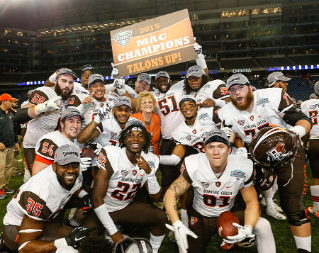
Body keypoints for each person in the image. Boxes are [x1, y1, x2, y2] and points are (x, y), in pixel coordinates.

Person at [218, 73, 312, 253]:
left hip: (287, 152)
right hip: (255, 157)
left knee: (293, 204)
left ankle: (304, 250)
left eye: (240, 87)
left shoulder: (272, 96)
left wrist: (294, 133)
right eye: (232, 90)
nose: (237, 92)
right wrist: (239, 151)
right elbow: (228, 140)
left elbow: (303, 120)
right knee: (237, 198)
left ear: (250, 87)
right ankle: (238, 234)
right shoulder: (226, 112)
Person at [163, 129, 275, 253]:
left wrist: (248, 228)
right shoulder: (194, 164)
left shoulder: (242, 166)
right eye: (211, 147)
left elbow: (252, 202)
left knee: (263, 225)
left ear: (229, 150)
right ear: (204, 150)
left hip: (228, 213)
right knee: (185, 249)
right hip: (201, 216)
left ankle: (233, 239)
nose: (216, 152)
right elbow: (170, 193)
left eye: (221, 147)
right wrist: (177, 223)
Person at [81, 120, 167, 253]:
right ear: (124, 139)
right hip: (104, 207)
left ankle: (153, 251)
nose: (135, 139)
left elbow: (155, 197)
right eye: (130, 135)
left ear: (146, 140)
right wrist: (115, 233)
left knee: (161, 218)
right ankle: (110, 235)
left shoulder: (150, 158)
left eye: (140, 135)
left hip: (125, 206)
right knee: (84, 242)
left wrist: (150, 173)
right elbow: (97, 198)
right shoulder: (111, 154)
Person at [2, 144, 93, 252]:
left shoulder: (75, 172)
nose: (71, 170)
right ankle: (6, 244)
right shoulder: (40, 192)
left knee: (78, 237)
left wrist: (84, 196)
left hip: (43, 218)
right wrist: (66, 241)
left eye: (74, 165)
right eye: (65, 165)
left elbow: (73, 185)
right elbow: (24, 248)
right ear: (54, 166)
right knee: (68, 249)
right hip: (17, 226)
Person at [15, 68, 78, 174]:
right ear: (56, 81)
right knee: (40, 181)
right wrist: (42, 107)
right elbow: (19, 116)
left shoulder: (64, 98)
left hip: (52, 146)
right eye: (63, 81)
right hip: (35, 147)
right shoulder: (46, 92)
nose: (67, 85)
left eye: (70, 82)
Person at [31, 106, 88, 175]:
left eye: (78, 122)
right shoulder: (52, 141)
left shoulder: (77, 140)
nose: (75, 126)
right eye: (71, 121)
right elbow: (37, 174)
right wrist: (71, 168)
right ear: (62, 124)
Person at [301, 81, 319, 218]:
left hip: (315, 142)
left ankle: (317, 208)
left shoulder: (307, 104)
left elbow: (305, 128)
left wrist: (303, 145)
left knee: (316, 177)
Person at [0, 93, 19, 199]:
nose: (12, 103)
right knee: (0, 169)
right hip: (1, 147)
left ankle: (5, 186)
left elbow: (14, 130)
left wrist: (16, 142)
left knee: (8, 167)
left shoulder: (11, 113)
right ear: (4, 101)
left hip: (10, 145)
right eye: (10, 101)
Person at [10, 98, 23, 177]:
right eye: (14, 102)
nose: (16, 103)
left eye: (17, 102)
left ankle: (25, 169)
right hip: (15, 136)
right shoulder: (8, 113)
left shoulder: (19, 112)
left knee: (25, 153)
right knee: (14, 155)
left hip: (22, 135)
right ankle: (15, 170)